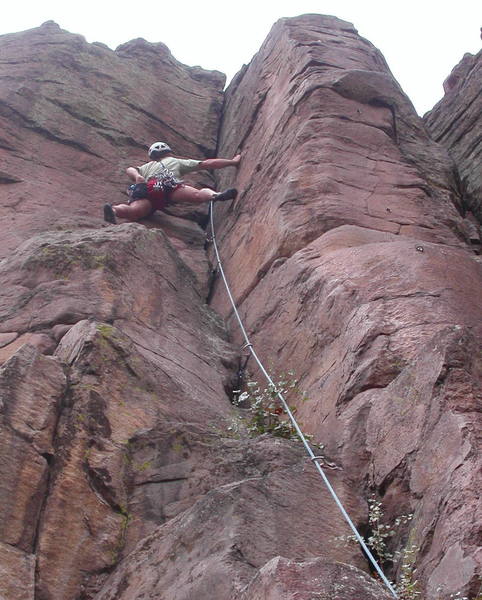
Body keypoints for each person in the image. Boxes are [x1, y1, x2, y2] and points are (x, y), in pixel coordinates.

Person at [104, 141, 241, 223]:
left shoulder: (147, 166)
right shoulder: (175, 161)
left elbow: (130, 169)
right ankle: (215, 195)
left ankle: (114, 210)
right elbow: (207, 163)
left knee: (134, 211)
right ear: (167, 151)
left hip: (148, 189)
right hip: (167, 186)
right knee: (197, 195)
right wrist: (233, 162)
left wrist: (137, 177)